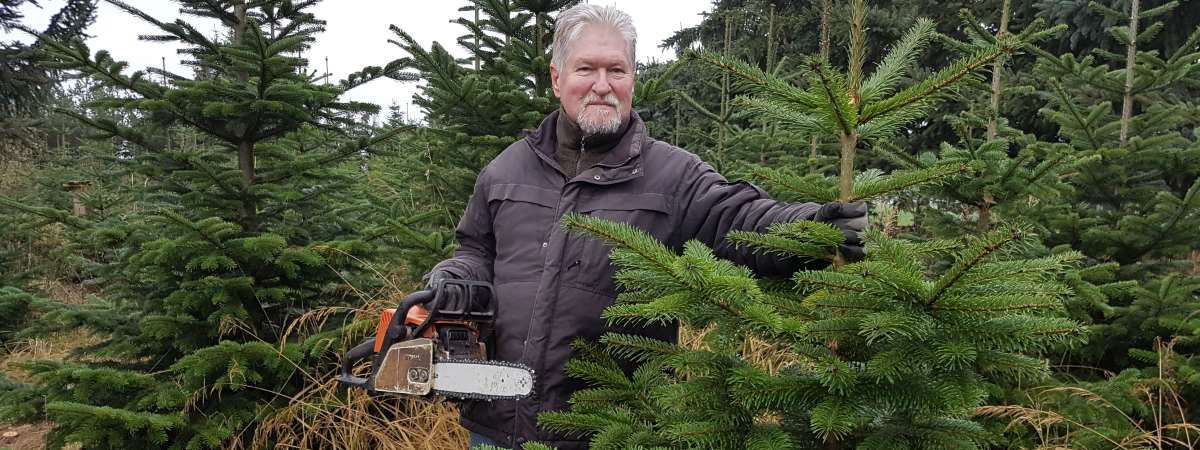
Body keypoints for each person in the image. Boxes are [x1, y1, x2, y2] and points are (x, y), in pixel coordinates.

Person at [423, 4, 868, 449]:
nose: (602, 85)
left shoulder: (672, 176)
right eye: (586, 69)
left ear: (632, 77)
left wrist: (812, 227)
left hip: (614, 434)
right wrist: (452, 279)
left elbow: (740, 219)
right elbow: (475, 252)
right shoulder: (505, 170)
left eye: (616, 69)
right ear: (557, 78)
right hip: (496, 429)